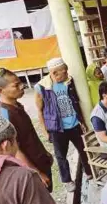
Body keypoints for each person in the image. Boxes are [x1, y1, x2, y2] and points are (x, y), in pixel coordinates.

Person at [0, 68, 54, 192]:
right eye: (16, 85)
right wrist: (36, 173)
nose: (22, 86)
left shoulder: (17, 106)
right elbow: (15, 150)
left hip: (39, 160)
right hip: (30, 170)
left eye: (20, 82)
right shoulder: (5, 115)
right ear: (0, 90)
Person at [35, 57, 93, 192]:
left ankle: (89, 172)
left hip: (73, 124)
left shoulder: (69, 81)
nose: (67, 74)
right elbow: (39, 110)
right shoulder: (41, 87)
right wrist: (45, 131)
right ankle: (67, 180)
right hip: (57, 128)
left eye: (66, 71)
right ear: (54, 73)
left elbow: (75, 101)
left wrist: (81, 121)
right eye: (64, 72)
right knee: (61, 156)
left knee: (83, 149)